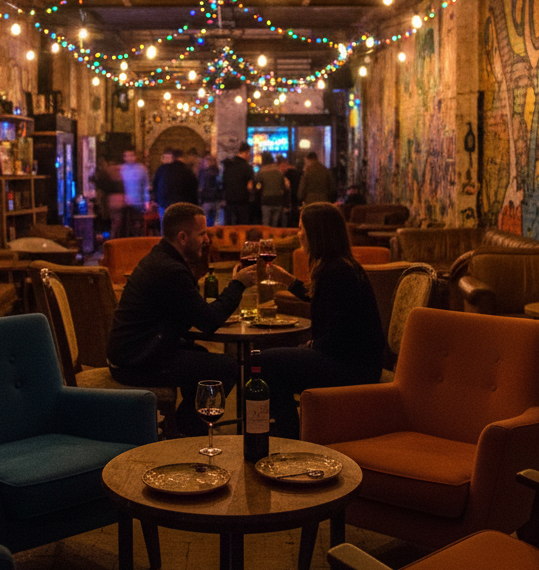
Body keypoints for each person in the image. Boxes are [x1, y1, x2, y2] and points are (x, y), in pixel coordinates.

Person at [108, 203, 259, 436]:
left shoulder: (162, 260)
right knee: (226, 368)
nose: (207, 240)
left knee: (203, 358)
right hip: (136, 362)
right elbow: (209, 322)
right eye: (202, 234)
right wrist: (238, 284)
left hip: (135, 353)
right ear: (182, 237)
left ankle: (187, 429)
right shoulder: (170, 270)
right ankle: (183, 432)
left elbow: (192, 314)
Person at [255, 202, 387, 438]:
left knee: (264, 361)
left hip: (353, 368)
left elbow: (338, 334)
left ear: (316, 232)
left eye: (301, 227)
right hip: (354, 361)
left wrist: (309, 347)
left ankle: (289, 435)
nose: (298, 234)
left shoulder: (336, 271)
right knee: (272, 360)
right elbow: (318, 297)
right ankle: (290, 430)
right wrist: (288, 280)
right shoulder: (337, 266)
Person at [116, 148, 149, 237]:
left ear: (135, 156)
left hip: (138, 202)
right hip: (124, 202)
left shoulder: (142, 169)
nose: (129, 158)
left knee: (137, 226)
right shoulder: (121, 169)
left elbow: (145, 186)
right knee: (124, 227)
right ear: (124, 157)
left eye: (131, 155)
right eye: (127, 156)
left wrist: (146, 201)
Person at [221, 143, 255, 224]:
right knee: (242, 226)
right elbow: (250, 186)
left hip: (229, 200)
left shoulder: (228, 165)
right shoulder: (247, 167)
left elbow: (223, 182)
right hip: (242, 201)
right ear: (246, 152)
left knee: (229, 226)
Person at [254, 153, 288, 227]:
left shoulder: (261, 172)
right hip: (278, 200)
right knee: (274, 223)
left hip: (266, 200)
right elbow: (284, 187)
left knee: (266, 223)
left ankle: (266, 238)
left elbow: (258, 186)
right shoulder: (279, 172)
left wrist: (257, 189)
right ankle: (274, 237)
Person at [197, 153, 222, 225]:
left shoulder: (204, 173)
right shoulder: (215, 172)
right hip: (211, 199)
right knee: (212, 220)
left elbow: (201, 187)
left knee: (207, 220)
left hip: (209, 199)